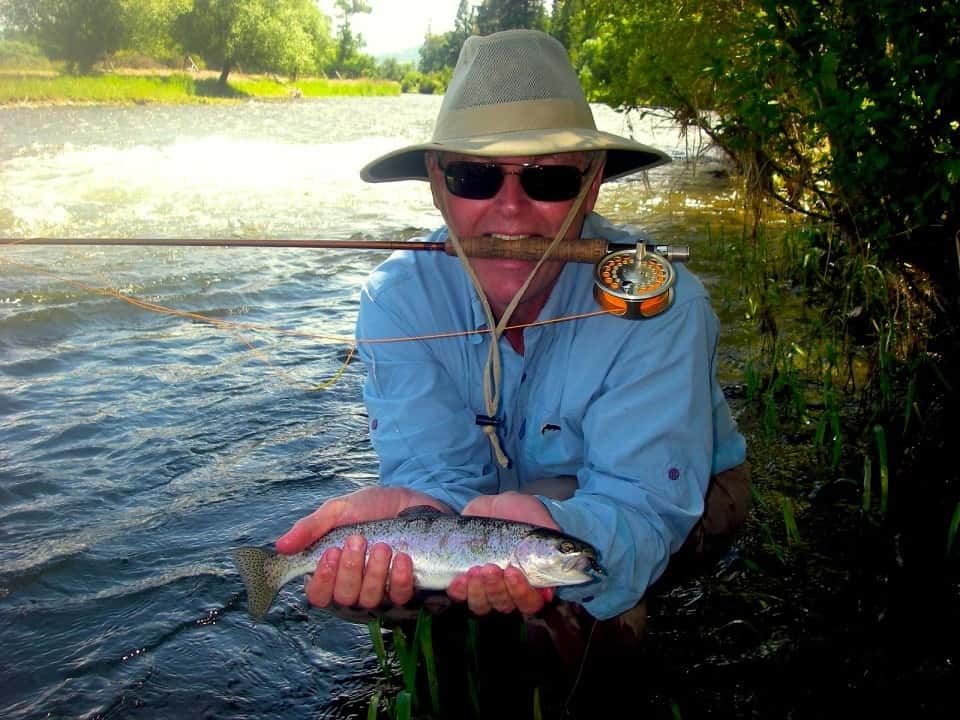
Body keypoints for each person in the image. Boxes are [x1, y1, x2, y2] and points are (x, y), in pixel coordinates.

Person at [276, 29, 749, 659]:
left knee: (587, 608)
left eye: (548, 180)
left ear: (593, 183)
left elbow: (643, 506)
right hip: (502, 508)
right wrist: (425, 510)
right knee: (404, 598)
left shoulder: (662, 306)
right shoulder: (397, 299)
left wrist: (554, 533)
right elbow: (432, 475)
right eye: (474, 177)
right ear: (437, 183)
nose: (511, 212)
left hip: (680, 486)